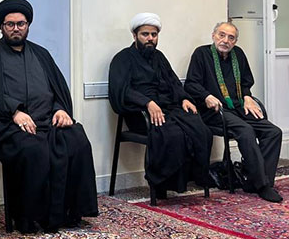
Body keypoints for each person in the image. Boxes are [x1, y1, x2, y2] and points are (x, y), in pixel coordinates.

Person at [0, 0, 98, 231]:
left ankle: (70, 212)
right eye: (10, 24)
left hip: (47, 121)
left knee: (77, 140)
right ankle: (31, 218)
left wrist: (59, 109)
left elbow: (57, 89)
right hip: (7, 126)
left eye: (21, 23)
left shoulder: (42, 54)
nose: (16, 28)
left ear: (28, 25)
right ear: (1, 27)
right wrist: (14, 112)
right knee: (34, 149)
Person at [108, 13, 212, 195]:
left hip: (168, 109)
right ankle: (161, 185)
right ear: (135, 35)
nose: (150, 38)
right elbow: (122, 90)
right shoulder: (122, 58)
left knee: (200, 129)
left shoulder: (159, 57)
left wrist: (184, 98)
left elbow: (173, 81)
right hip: (140, 114)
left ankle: (189, 180)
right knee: (173, 134)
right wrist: (147, 103)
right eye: (145, 34)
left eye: (154, 35)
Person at [185, 21, 283, 202]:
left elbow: (246, 82)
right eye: (221, 35)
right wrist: (206, 96)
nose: (225, 40)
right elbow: (191, 84)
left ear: (235, 41)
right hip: (214, 111)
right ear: (213, 35)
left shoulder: (238, 54)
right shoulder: (202, 54)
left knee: (273, 132)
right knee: (246, 130)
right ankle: (262, 186)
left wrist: (247, 96)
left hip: (238, 107)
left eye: (231, 38)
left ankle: (255, 180)